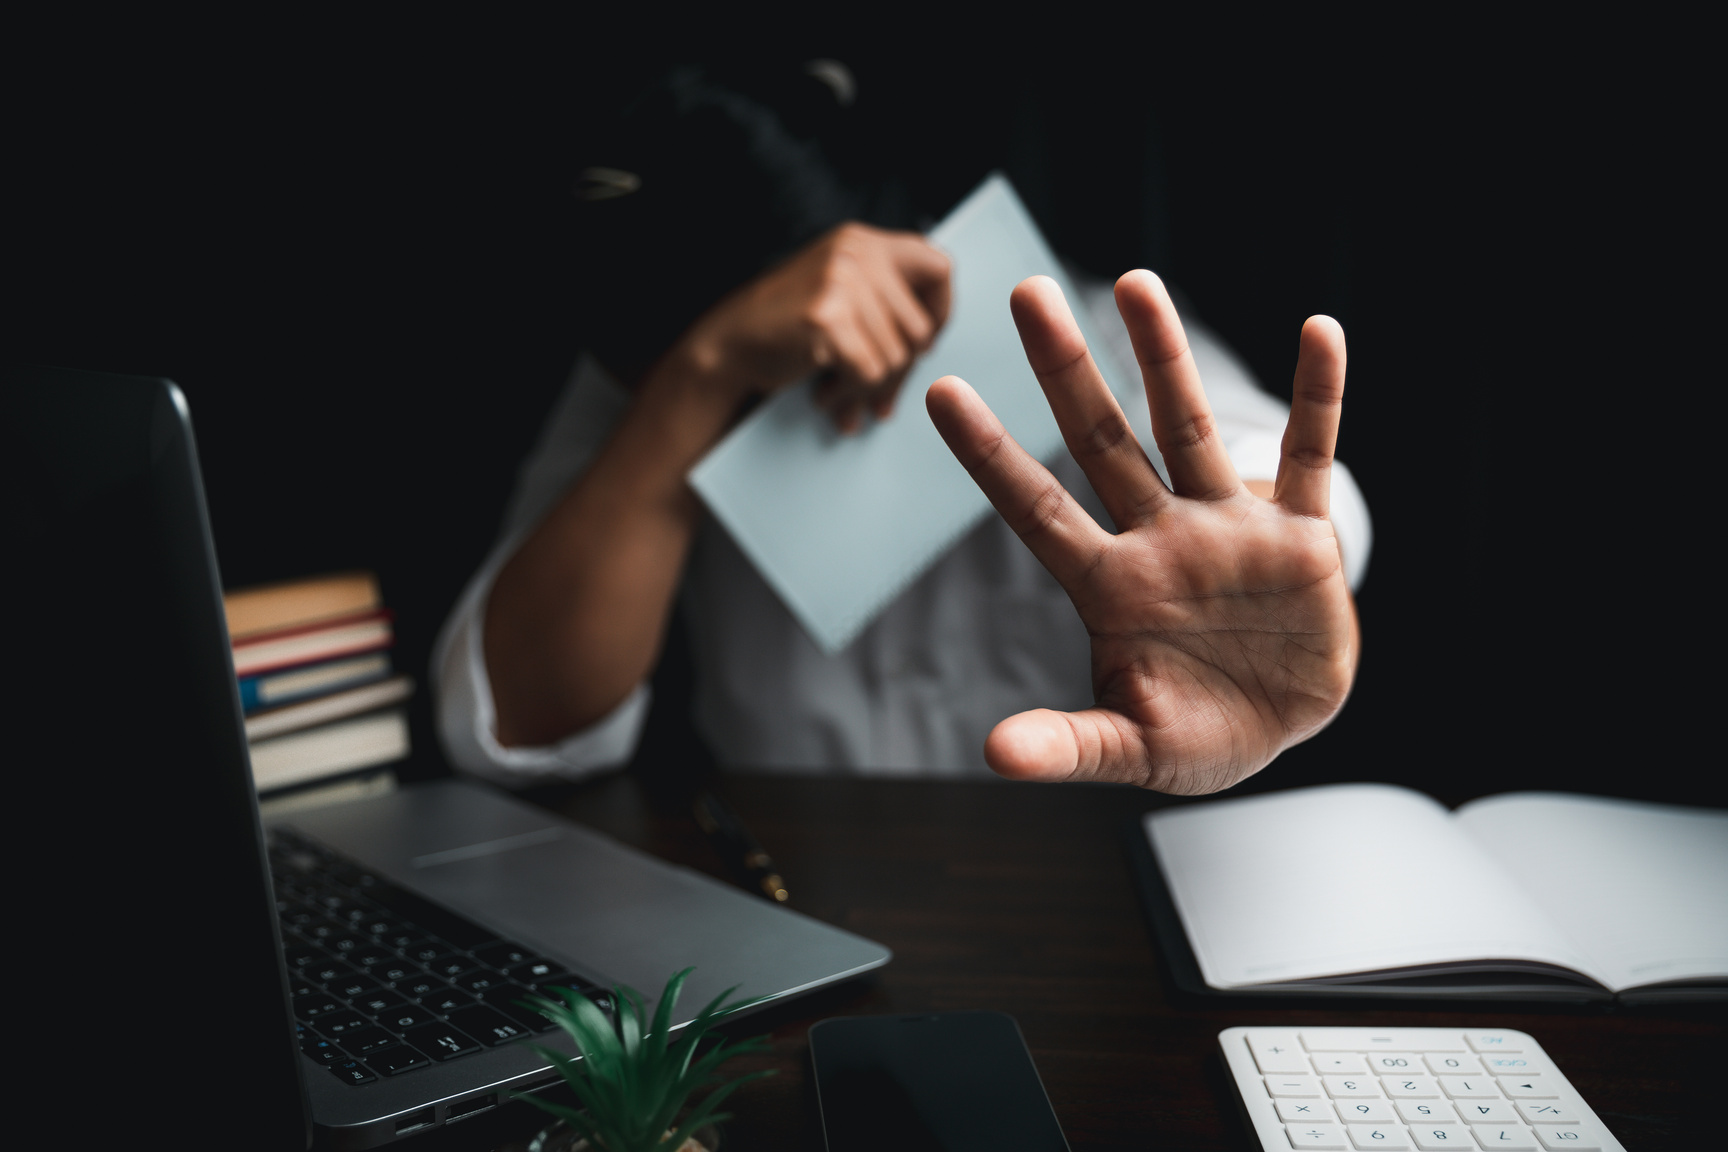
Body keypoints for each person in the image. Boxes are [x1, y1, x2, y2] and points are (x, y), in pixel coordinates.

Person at [432, 68, 1370, 795]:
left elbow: (1293, 507)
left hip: (1088, 897)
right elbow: (513, 724)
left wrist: (1264, 563)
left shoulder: (1077, 336)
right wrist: (700, 381)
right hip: (787, 893)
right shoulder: (649, 355)